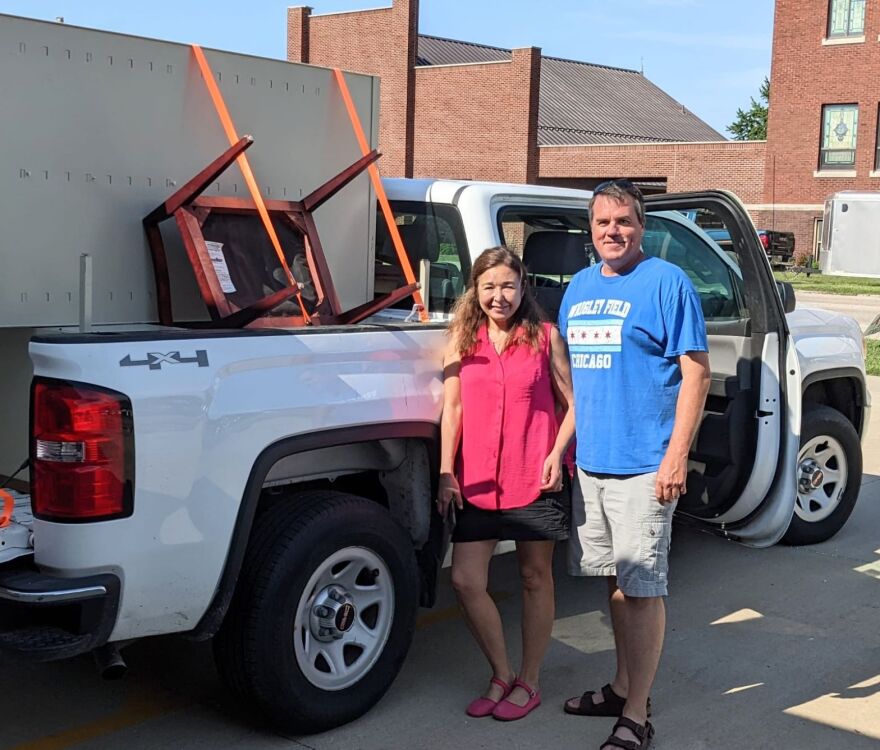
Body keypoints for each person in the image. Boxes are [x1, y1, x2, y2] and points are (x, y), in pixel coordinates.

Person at [559, 180, 711, 750]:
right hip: (594, 465)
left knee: (643, 589)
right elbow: (578, 382)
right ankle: (622, 687)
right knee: (618, 584)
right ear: (591, 230)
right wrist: (560, 450)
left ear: (641, 226)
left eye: (623, 221)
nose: (613, 232)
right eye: (603, 223)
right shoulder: (578, 288)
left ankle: (639, 714)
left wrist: (677, 456)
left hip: (646, 464)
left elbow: (696, 373)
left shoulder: (667, 283)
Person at [437, 246, 575, 722]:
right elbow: (451, 410)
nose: (499, 296)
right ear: (476, 290)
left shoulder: (546, 337)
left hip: (534, 477)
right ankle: (500, 672)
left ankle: (529, 681)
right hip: (475, 480)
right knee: (465, 579)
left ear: (523, 288)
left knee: (535, 578)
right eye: (489, 286)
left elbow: (573, 404)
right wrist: (445, 471)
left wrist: (557, 454)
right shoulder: (461, 339)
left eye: (508, 286)